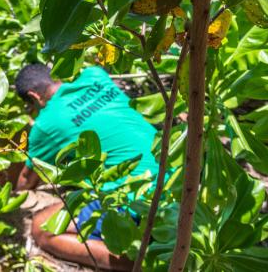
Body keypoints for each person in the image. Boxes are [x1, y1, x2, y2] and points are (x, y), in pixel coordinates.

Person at [14, 64, 160, 271]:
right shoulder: (95, 75)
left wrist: (14, 193)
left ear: (34, 97)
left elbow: (26, 182)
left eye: (31, 107)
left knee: (42, 228)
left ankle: (143, 263)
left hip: (140, 197)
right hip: (174, 170)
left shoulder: (44, 125)